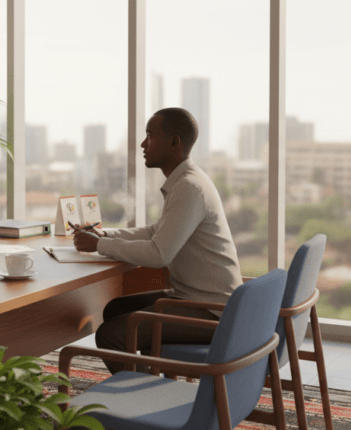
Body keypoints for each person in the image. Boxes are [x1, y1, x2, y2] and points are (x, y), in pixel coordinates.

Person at [70, 107, 243, 374]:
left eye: (150, 136)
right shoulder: (187, 181)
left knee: (110, 335)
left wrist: (98, 246)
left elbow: (159, 254)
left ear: (175, 142)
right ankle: (145, 380)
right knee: (116, 308)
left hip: (211, 311)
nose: (143, 144)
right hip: (193, 298)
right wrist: (106, 235)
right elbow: (156, 232)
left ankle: (141, 399)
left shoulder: (189, 187)